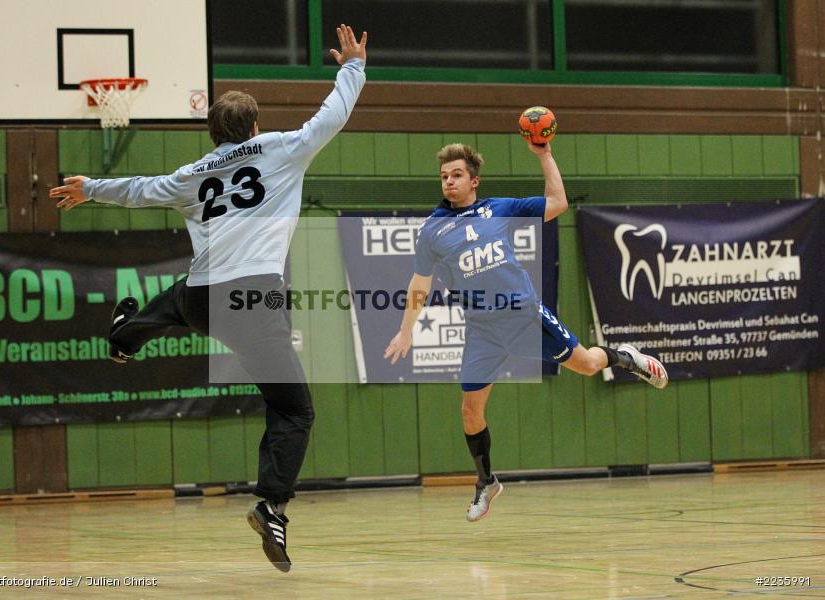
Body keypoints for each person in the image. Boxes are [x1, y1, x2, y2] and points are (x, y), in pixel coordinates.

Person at [50, 24, 368, 572]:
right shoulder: (282, 149)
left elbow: (139, 190)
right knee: (293, 409)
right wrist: (353, 67)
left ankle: (125, 336)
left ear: (213, 132)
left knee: (175, 300)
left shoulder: (189, 175)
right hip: (254, 299)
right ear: (254, 127)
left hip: (202, 296)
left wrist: (90, 188)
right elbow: (332, 115)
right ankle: (271, 506)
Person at [384, 140, 668, 522]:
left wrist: (544, 154)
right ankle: (487, 482)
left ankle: (626, 357)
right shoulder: (433, 230)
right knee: (470, 412)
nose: (449, 181)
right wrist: (406, 331)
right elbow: (420, 283)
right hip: (483, 330)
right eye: (444, 176)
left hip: (523, 316)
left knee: (587, 364)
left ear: (474, 181)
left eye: (457, 175)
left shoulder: (499, 209)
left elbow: (558, 203)